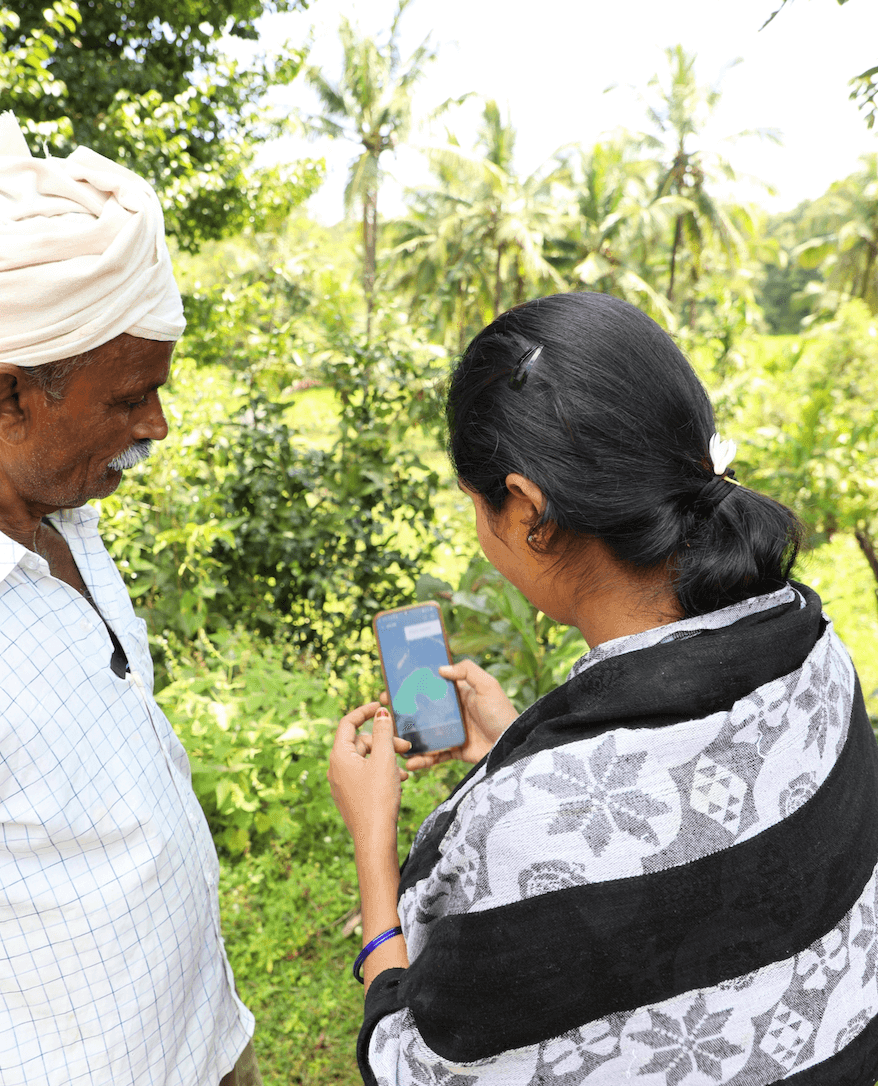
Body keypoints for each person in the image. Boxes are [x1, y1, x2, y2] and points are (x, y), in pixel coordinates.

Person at [329, 291, 878, 1085]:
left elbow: (414, 1063)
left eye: (477, 506)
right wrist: (527, 744)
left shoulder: (515, 834)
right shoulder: (817, 648)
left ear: (528, 510)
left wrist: (373, 847)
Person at [0, 113, 259, 1086]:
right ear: (7, 399)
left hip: (202, 1038)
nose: (157, 424)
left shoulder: (61, 516)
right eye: (129, 397)